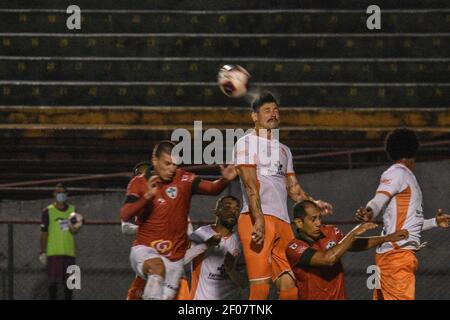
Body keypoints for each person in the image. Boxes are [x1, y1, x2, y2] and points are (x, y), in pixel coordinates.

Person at [232, 91, 333, 300]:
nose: (273, 114)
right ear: (254, 116)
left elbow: (293, 189)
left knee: (290, 287)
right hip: (255, 218)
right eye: (267, 110)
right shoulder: (245, 143)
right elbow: (251, 185)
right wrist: (258, 218)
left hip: (283, 222)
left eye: (276, 110)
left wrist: (313, 203)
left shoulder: (284, 150)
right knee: (261, 289)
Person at [120, 141, 237, 300]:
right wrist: (147, 197)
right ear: (155, 161)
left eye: (175, 164)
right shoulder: (139, 183)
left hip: (174, 260)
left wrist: (224, 180)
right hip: (145, 249)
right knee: (157, 269)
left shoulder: (185, 179)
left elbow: (212, 189)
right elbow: (125, 214)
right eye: (167, 163)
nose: (171, 169)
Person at [355, 128, 450, 300]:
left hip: (390, 256)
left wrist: (435, 222)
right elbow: (379, 199)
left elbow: (408, 222)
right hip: (396, 256)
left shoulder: (407, 176)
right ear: (415, 148)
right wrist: (370, 211)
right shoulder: (398, 172)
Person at [286, 200, 408, 300]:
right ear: (299, 223)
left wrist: (387, 238)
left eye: (319, 218)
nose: (318, 223)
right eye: (313, 219)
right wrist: (353, 233)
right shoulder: (294, 247)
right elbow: (327, 259)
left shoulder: (331, 231)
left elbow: (353, 244)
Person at [189, 196, 247, 300]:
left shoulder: (241, 241)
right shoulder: (202, 233)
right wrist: (207, 245)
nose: (233, 212)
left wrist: (231, 270)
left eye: (236, 209)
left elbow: (244, 283)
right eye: (227, 207)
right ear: (216, 211)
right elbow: (182, 258)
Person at [40, 183, 78, 300]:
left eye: (63, 192)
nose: (60, 195)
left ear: (66, 195)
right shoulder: (47, 211)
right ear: (54, 194)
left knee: (70, 285)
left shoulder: (73, 210)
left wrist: (75, 226)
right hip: (53, 253)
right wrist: (42, 251)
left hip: (69, 252)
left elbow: (75, 230)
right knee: (53, 284)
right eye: (58, 192)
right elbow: (44, 232)